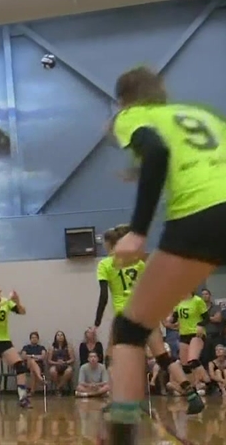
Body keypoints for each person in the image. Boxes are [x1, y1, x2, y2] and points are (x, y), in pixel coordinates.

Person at [104, 66, 226, 443]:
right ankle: (188, 392)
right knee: (156, 348)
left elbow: (154, 150)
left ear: (124, 99)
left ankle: (122, 434)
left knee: (128, 331)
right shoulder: (204, 116)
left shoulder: (133, 117)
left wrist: (138, 230)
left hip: (199, 216)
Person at [95, 224, 199, 413]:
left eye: (105, 243)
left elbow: (103, 296)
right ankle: (192, 394)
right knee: (163, 357)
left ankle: (117, 399)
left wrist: (97, 322)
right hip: (146, 311)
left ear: (111, 244)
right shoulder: (138, 262)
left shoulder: (105, 264)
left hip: (125, 316)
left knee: (111, 359)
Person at [170, 292, 210, 392]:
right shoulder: (179, 302)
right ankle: (193, 388)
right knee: (185, 366)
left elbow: (207, 318)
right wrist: (169, 320)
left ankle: (208, 382)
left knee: (192, 360)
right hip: (184, 334)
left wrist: (200, 325)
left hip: (196, 333)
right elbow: (174, 318)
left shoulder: (197, 301)